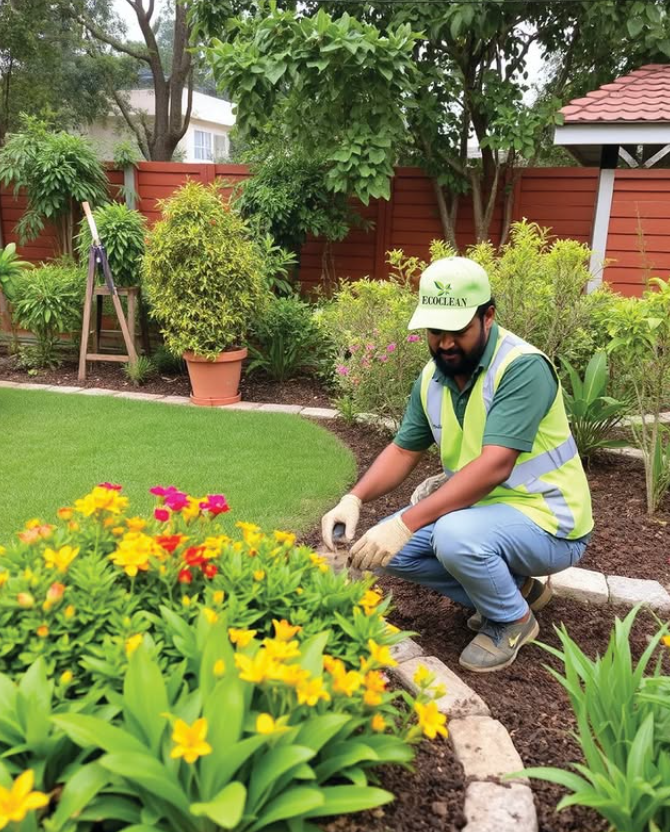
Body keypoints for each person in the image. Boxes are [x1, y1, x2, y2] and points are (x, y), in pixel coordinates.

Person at [321, 257, 593, 673]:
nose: (446, 343)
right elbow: (403, 450)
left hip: (550, 523)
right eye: (435, 332)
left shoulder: (521, 369)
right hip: (483, 515)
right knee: (386, 552)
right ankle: (517, 590)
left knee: (448, 535)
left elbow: (494, 467)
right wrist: (353, 498)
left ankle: (513, 620)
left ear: (489, 316)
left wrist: (406, 521)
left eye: (458, 331)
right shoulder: (433, 378)